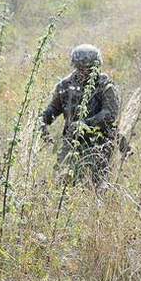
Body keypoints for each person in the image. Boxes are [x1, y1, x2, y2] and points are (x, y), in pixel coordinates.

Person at [39, 44, 120, 186]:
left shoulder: (104, 85)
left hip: (98, 142)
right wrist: (41, 122)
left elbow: (110, 114)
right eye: (80, 68)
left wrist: (86, 124)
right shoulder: (65, 86)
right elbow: (53, 109)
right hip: (71, 142)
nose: (84, 73)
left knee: (96, 185)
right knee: (64, 182)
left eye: (88, 69)